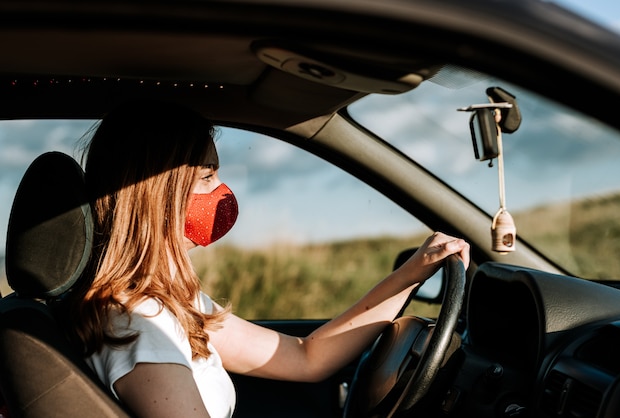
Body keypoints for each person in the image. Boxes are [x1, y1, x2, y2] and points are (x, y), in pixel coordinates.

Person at [65, 100, 470, 418]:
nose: (223, 190)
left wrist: (412, 273)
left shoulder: (170, 302)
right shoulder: (136, 324)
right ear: (158, 197)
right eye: (207, 177)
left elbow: (304, 358)